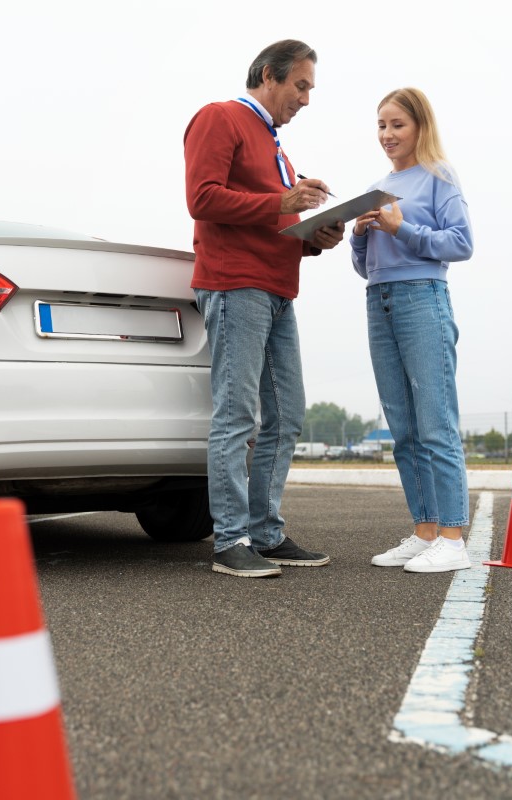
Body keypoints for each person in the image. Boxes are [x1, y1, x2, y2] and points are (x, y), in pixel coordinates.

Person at [184, 39, 345, 578]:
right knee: (237, 416)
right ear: (267, 76)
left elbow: (270, 220)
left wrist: (313, 237)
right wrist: (284, 200)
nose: (305, 99)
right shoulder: (220, 118)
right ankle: (230, 541)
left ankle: (265, 533)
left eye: (309, 89)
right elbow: (202, 198)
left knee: (287, 415)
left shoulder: (277, 149)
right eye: (300, 85)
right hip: (235, 286)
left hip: (277, 290)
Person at [350, 87, 474, 573]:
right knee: (403, 428)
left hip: (423, 299)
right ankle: (424, 531)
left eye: (397, 124)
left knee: (435, 422)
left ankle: (452, 537)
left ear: (420, 126)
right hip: (378, 301)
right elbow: (367, 268)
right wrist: (359, 235)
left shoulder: (440, 176)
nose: (387, 134)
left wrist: (402, 228)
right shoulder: (378, 185)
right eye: (381, 125)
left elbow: (461, 244)